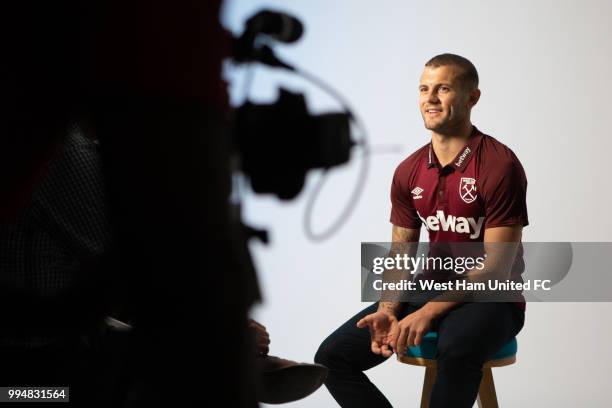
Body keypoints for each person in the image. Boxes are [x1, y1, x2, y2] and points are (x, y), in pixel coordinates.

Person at [314, 53, 528, 407]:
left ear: (472, 97)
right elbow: (401, 256)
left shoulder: (498, 164)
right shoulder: (408, 170)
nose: (430, 98)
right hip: (430, 286)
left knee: (455, 349)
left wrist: (427, 311)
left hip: (493, 298)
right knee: (332, 357)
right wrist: (387, 309)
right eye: (424, 89)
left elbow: (496, 268)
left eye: (443, 88)